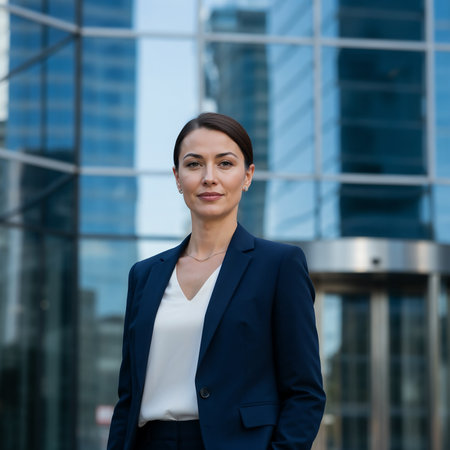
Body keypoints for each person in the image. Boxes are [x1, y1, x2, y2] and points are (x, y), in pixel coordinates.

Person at [107, 113, 325, 450]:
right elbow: (128, 397)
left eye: (225, 164)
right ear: (178, 178)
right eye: (194, 165)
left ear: (248, 176)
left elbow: (305, 393)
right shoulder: (145, 275)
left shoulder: (279, 265)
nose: (210, 178)